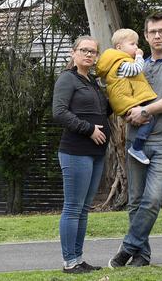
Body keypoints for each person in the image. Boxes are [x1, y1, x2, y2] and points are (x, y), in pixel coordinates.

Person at [108, 12, 162, 268]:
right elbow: (120, 93)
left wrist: (146, 110)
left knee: (153, 198)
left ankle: (127, 248)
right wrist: (126, 112)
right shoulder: (138, 64)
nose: (157, 36)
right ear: (145, 36)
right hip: (137, 142)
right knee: (135, 201)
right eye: (152, 32)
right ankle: (141, 256)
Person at [52, 35, 111, 274]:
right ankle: (69, 262)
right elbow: (59, 112)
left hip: (96, 152)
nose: (89, 54)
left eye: (93, 52)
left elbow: (107, 110)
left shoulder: (94, 82)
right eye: (84, 50)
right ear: (73, 53)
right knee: (73, 207)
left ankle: (78, 258)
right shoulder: (68, 78)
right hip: (76, 150)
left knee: (84, 208)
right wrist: (88, 130)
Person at [95, 28, 157, 165]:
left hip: (124, 101)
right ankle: (137, 147)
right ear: (119, 47)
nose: (136, 47)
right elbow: (136, 69)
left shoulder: (114, 63)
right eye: (132, 44)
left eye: (136, 44)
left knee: (145, 118)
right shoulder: (121, 64)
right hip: (125, 102)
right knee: (149, 118)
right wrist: (140, 57)